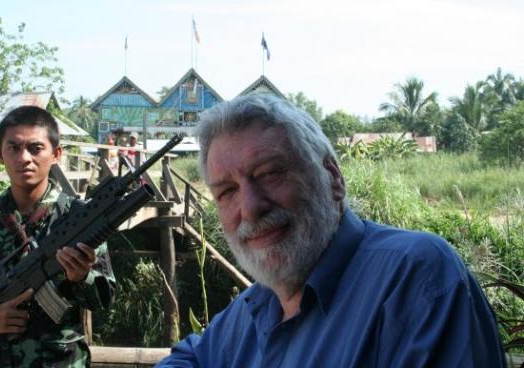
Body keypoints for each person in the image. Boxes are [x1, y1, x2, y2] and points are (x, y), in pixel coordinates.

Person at [157, 94, 506, 367]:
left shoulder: (416, 277)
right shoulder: (255, 307)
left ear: (333, 178)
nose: (249, 207)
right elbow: (189, 359)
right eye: (227, 192)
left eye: (269, 174)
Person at [0, 106, 116, 367]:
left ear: (56, 154)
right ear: (0, 155)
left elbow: (105, 299)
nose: (24, 158)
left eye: (35, 148)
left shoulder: (80, 219)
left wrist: (82, 277)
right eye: (13, 148)